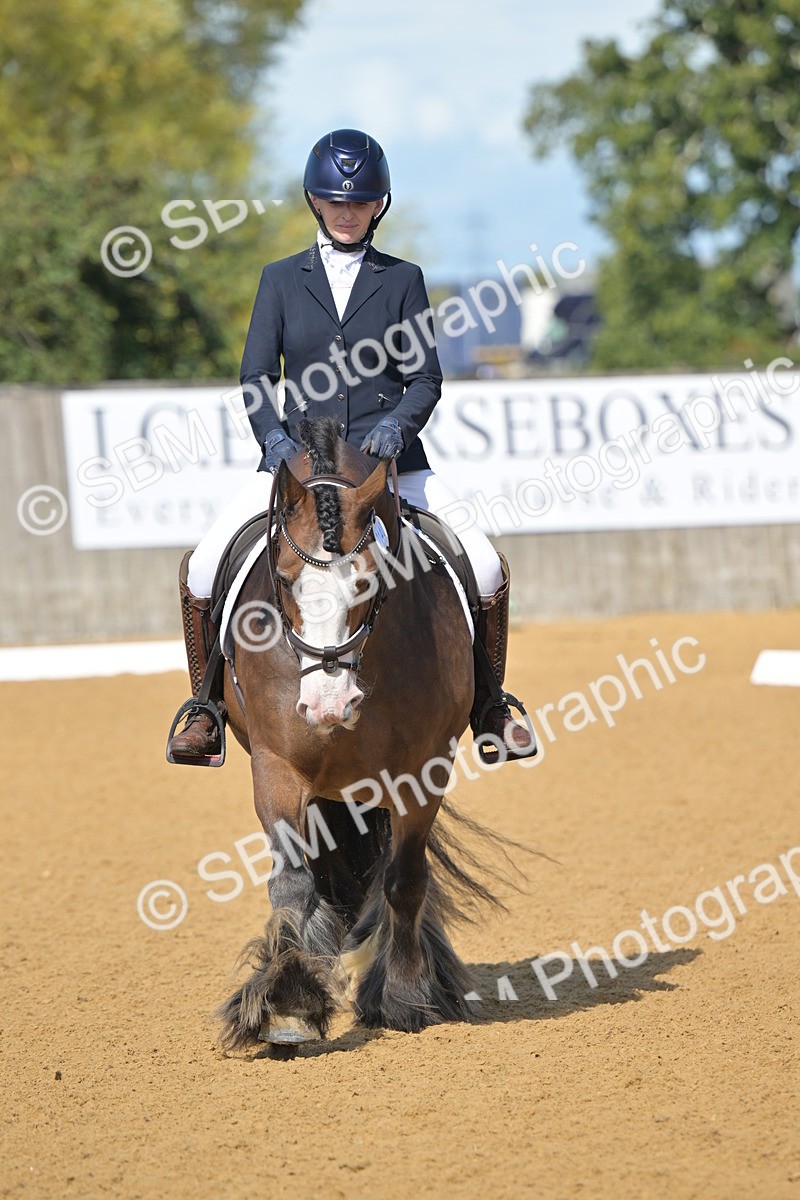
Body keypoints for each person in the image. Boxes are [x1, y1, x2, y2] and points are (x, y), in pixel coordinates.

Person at [167, 128, 535, 764]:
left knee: (483, 563)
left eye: (360, 203)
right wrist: (276, 441)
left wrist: (399, 427)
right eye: (336, 202)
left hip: (388, 465)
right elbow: (257, 377)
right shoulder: (281, 280)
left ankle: (491, 706)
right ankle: (203, 706)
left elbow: (425, 378)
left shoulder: (402, 279)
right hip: (295, 467)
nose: (347, 212)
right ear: (316, 202)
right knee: (203, 566)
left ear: (378, 206)